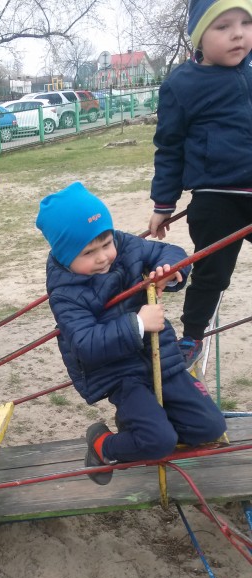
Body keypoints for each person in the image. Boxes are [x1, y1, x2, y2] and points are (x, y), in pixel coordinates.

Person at [37, 182, 226, 484]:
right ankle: (103, 444)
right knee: (158, 442)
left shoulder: (124, 246)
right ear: (64, 255)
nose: (102, 257)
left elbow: (170, 251)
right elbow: (85, 344)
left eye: (106, 244)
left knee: (210, 427)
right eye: (88, 252)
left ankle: (149, 424)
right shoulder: (65, 294)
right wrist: (137, 324)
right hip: (122, 375)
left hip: (163, 358)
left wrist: (169, 270)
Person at [149, 0, 252, 368]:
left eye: (245, 23)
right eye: (223, 26)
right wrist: (163, 204)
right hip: (216, 197)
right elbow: (169, 147)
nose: (238, 34)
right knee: (212, 273)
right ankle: (192, 335)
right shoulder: (182, 84)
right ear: (199, 38)